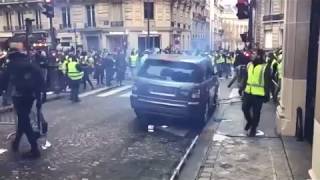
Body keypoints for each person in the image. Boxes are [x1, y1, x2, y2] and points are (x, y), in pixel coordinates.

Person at [0, 42, 45, 158]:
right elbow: (40, 77)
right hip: (31, 96)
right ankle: (16, 143)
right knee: (22, 119)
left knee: (24, 121)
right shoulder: (29, 61)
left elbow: (3, 81)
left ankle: (34, 150)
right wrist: (39, 96)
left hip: (19, 96)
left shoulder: (12, 64)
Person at [239, 49, 271, 137]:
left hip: (259, 94)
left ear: (259, 56)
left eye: (254, 54)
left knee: (256, 113)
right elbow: (245, 78)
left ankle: (253, 129)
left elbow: (268, 82)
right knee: (244, 108)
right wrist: (241, 88)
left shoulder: (265, 67)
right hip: (248, 92)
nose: (252, 55)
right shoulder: (249, 65)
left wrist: (267, 95)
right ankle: (249, 121)